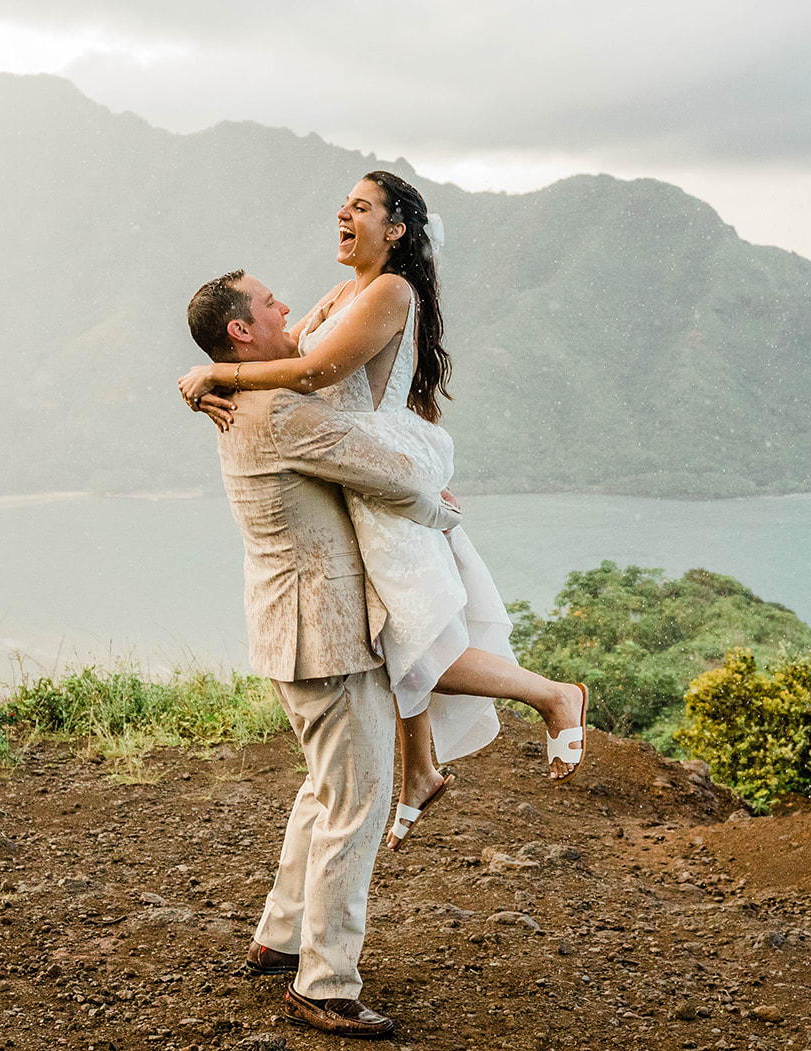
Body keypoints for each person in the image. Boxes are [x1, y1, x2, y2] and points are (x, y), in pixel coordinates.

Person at [179, 173, 588, 850]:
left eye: (361, 207)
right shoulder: (342, 292)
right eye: (344, 203)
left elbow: (311, 374)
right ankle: (420, 769)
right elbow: (277, 351)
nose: (344, 211)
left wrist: (220, 376)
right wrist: (199, 380)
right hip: (352, 464)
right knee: (396, 622)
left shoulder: (392, 292)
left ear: (395, 231)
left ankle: (552, 696)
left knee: (413, 633)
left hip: (376, 462)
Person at [185, 268, 463, 1037]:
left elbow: (307, 347)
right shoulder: (278, 410)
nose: (287, 307)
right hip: (325, 634)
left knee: (323, 788)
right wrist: (436, 509)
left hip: (285, 626)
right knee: (358, 803)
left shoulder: (239, 396)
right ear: (241, 331)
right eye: (270, 301)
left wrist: (201, 371)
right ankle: (325, 982)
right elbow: (391, 469)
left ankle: (279, 937)